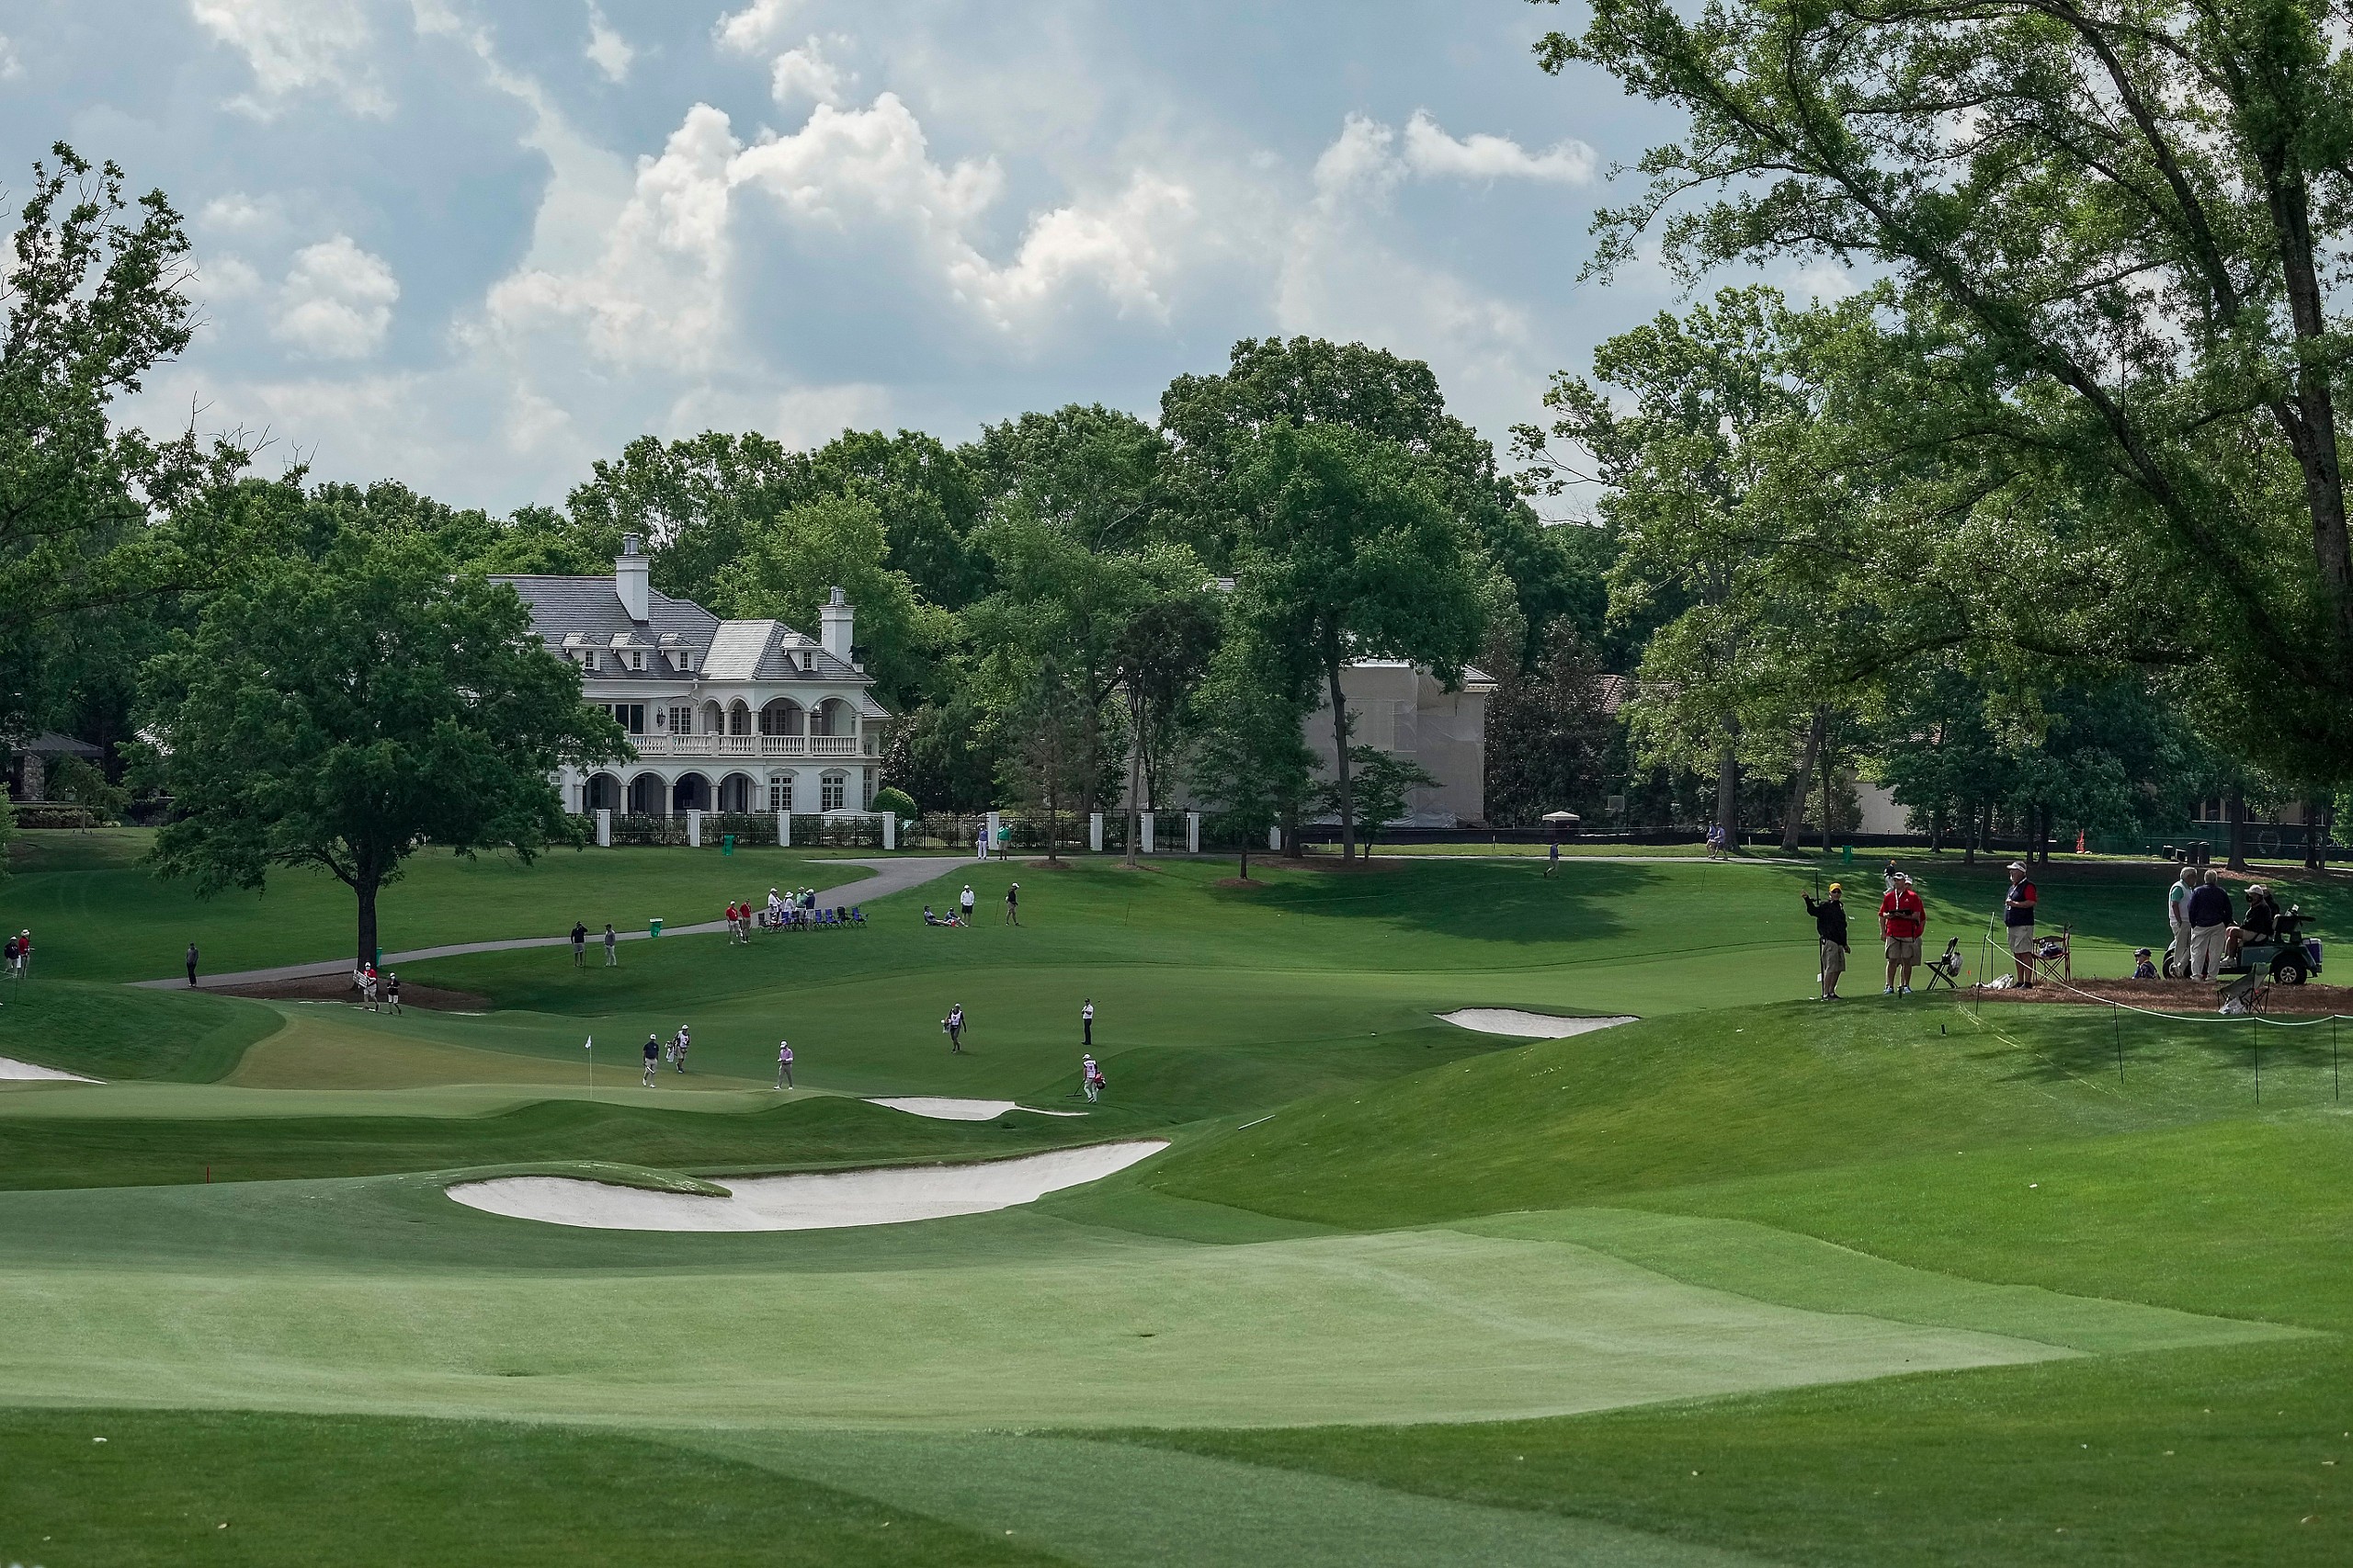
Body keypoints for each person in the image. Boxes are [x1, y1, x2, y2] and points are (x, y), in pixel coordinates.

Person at [1879, 872, 1926, 994]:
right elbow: (1882, 914)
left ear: (1904, 882)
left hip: (1907, 933)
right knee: (1892, 959)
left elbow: (1917, 916)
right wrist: (1885, 924)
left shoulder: (1913, 897)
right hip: (1892, 932)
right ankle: (1889, 986)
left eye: (1899, 880)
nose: (1896, 882)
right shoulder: (1888, 897)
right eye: (1895, 880)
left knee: (1906, 960)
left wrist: (1903, 916)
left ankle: (1905, 986)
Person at [1802, 883, 1850, 1000]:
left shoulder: (1840, 907)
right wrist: (1807, 899)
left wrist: (1845, 944)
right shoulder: (1825, 906)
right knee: (1831, 968)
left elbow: (1842, 927)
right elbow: (1813, 911)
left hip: (1839, 942)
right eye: (1834, 892)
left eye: (1838, 892)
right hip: (1830, 941)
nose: (1837, 894)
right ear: (1830, 894)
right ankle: (1825, 994)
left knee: (1839, 968)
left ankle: (1832, 992)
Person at [2187, 870, 2232, 981]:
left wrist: (2194, 924)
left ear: (2205, 879)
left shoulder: (2197, 891)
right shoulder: (2221, 892)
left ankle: (2196, 975)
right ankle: (2211, 977)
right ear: (2215, 880)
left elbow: (2191, 909)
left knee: (2198, 951)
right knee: (2215, 952)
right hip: (2217, 925)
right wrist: (2224, 923)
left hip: (2201, 925)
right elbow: (2229, 910)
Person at [2003, 862, 2039, 987]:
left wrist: (2015, 904)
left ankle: (2028, 982)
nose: (2011, 873)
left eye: (2014, 870)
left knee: (2024, 952)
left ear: (2021, 872)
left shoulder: (2028, 886)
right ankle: (2020, 981)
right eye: (2011, 871)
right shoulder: (2013, 887)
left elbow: (2031, 902)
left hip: (2023, 925)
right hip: (2012, 925)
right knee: (2017, 953)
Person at [2229, 884, 2279, 961]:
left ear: (2257, 896)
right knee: (2229, 930)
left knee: (2233, 931)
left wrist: (2241, 927)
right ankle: (2228, 957)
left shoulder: (2262, 908)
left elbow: (2253, 923)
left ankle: (2231, 959)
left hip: (2257, 932)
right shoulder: (2256, 905)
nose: (2249, 896)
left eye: (2251, 895)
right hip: (2253, 930)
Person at [2165, 865, 2198, 977]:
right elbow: (2174, 904)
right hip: (2181, 922)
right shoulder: (2179, 887)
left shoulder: (2188, 889)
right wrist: (2179, 920)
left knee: (2191, 945)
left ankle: (2180, 967)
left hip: (2187, 921)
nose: (2195, 880)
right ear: (2189, 877)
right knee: (2181, 946)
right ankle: (2177, 967)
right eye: (2194, 877)